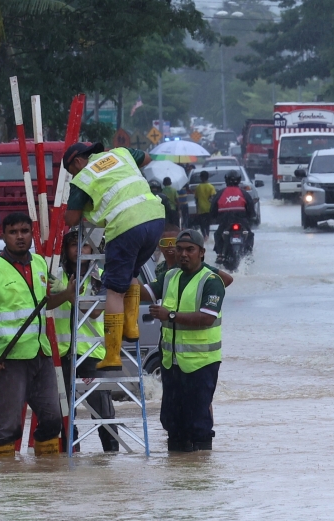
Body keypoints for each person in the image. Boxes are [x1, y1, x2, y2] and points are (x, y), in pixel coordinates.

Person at [0, 212, 73, 458]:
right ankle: (7, 475)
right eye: (13, 232)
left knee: (52, 419)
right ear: (3, 236)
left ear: (31, 234)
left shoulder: (39, 263)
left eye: (24, 231)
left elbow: (45, 303)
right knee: (9, 426)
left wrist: (67, 294)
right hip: (9, 360)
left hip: (41, 354)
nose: (20, 237)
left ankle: (45, 474)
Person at [63, 142, 165, 373]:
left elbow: (71, 219)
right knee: (131, 273)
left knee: (113, 291)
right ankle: (131, 327)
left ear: (77, 161)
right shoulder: (121, 153)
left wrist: (87, 204)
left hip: (125, 226)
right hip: (155, 218)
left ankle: (112, 354)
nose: (74, 175)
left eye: (72, 171)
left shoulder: (83, 178)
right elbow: (147, 157)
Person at [145, 229, 225, 452]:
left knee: (198, 422)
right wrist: (122, 273)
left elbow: (207, 318)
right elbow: (143, 292)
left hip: (201, 363)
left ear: (201, 253)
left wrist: (169, 315)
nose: (183, 254)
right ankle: (177, 469)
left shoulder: (211, 281)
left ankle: (201, 466)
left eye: (190, 250)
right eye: (179, 249)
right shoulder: (170, 276)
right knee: (172, 421)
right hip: (171, 362)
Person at [50, 230, 120, 452]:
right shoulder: (56, 275)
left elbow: (95, 312)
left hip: (91, 353)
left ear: (93, 249)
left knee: (103, 412)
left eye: (85, 245)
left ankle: (111, 455)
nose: (79, 250)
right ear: (65, 249)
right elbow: (46, 303)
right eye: (74, 245)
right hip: (62, 353)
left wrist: (69, 295)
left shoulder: (101, 277)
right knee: (63, 413)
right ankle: (70, 456)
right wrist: (65, 292)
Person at [154, 223, 234, 288]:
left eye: (173, 242)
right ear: (158, 245)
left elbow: (227, 279)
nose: (169, 246)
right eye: (164, 242)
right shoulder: (159, 268)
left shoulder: (190, 265)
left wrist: (207, 293)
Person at [211, 170, 256, 258]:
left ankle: (220, 254)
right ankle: (248, 254)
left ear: (226, 180)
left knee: (218, 234)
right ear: (239, 180)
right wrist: (250, 217)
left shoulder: (220, 193)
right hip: (241, 220)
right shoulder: (244, 193)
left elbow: (213, 209)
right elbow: (251, 209)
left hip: (225, 220)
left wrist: (214, 217)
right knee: (250, 235)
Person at [193, 170, 216, 240]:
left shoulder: (198, 187)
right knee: (207, 223)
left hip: (201, 208)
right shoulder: (211, 187)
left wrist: (197, 209)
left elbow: (196, 199)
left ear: (200, 178)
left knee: (202, 223)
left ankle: (204, 235)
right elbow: (213, 197)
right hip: (209, 208)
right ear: (208, 177)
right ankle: (208, 235)